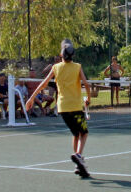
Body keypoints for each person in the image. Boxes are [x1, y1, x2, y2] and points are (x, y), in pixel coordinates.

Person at [26, 39, 91, 178]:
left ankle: (78, 164)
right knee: (84, 133)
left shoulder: (56, 67)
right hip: (75, 106)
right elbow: (86, 84)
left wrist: (31, 98)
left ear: (62, 55)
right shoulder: (77, 67)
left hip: (62, 108)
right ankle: (79, 155)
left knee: (76, 134)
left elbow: (43, 83)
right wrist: (89, 99)